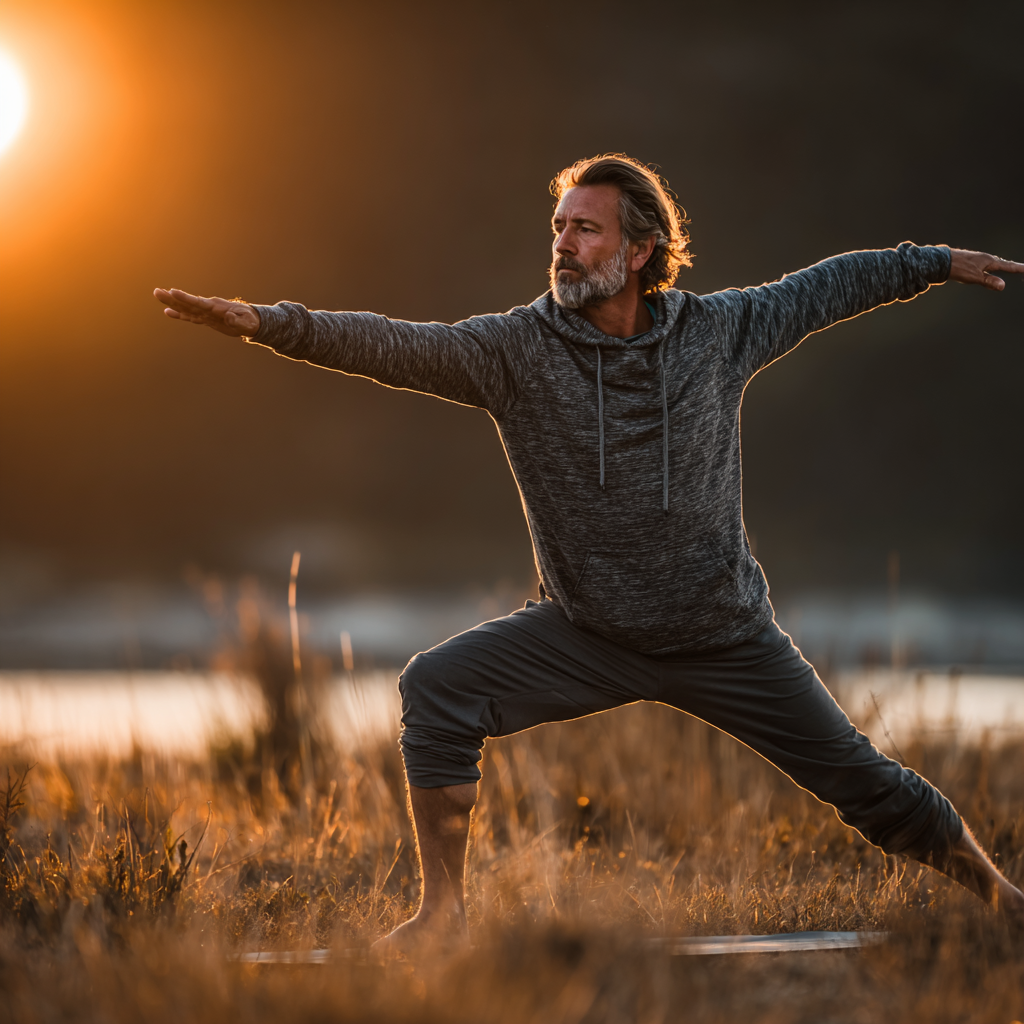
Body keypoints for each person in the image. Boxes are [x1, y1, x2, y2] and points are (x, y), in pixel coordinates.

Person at [155, 154, 1024, 951]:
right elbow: (393, 345)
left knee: (867, 785)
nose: (563, 247)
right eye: (558, 230)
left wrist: (934, 261)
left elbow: (830, 285)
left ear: (641, 249)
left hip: (724, 635)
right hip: (586, 634)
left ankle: (1005, 907)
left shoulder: (720, 332)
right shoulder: (514, 351)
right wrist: (270, 323)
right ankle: (442, 914)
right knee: (438, 686)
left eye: (585, 230)